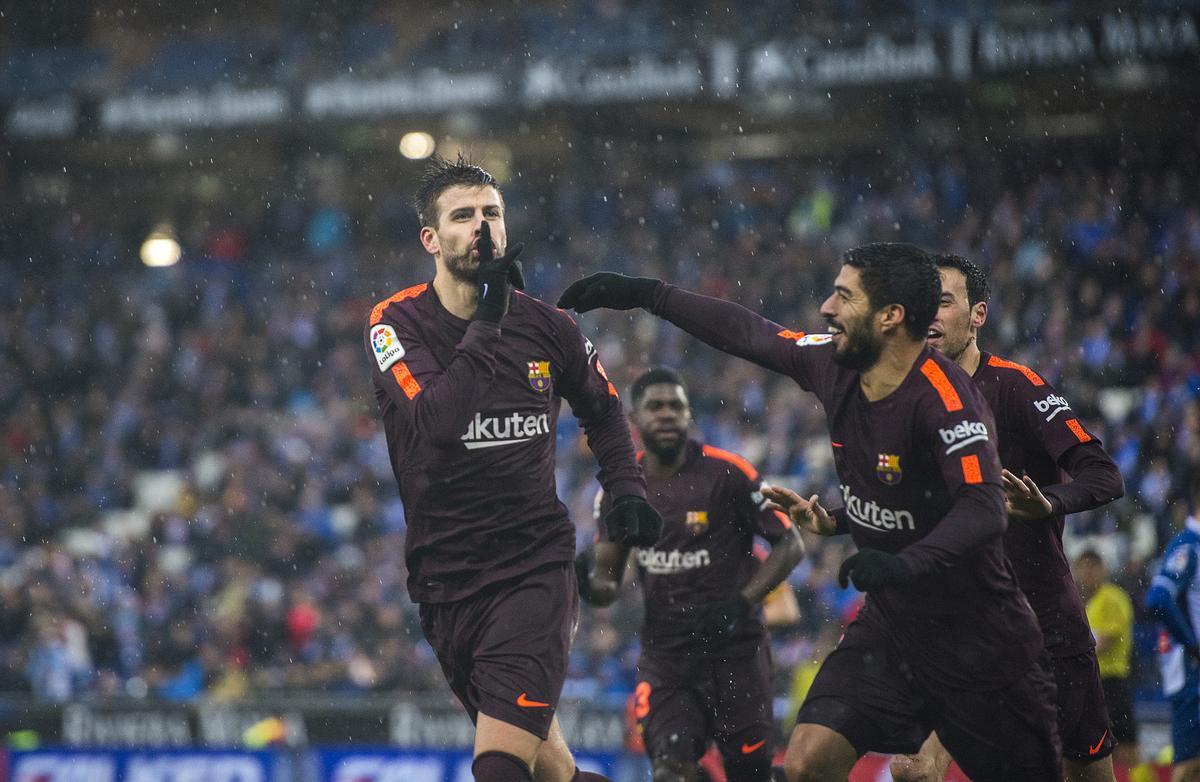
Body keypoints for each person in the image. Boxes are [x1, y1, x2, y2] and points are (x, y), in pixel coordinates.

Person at [558, 243, 1061, 781]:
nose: (826, 308)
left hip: (979, 636)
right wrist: (648, 294)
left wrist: (906, 563)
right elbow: (751, 334)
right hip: (889, 628)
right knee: (804, 765)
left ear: (890, 317)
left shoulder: (947, 400)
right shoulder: (834, 364)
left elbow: (985, 509)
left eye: (844, 296)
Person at [365, 154, 662, 782]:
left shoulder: (548, 327)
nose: (482, 227)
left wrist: (627, 490)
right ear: (430, 239)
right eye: (464, 215)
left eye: (492, 213)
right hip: (445, 580)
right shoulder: (394, 324)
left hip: (532, 570)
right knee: (553, 772)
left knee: (498, 767)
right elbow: (440, 427)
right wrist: (491, 317)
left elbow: (606, 413)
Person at [890, 254, 1125, 782]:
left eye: (944, 301)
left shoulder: (1017, 386)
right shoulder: (911, 402)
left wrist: (1048, 502)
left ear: (978, 315)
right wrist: (832, 518)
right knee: (911, 768)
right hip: (964, 630)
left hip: (1046, 625)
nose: (930, 314)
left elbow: (1104, 475)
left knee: (1085, 774)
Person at [576, 366, 805, 782]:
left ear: (689, 416)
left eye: (676, 406)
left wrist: (740, 605)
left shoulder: (729, 473)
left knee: (749, 773)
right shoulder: (620, 489)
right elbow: (608, 581)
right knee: (669, 770)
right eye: (655, 407)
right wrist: (588, 587)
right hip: (668, 658)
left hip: (738, 652)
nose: (667, 415)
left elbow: (791, 545)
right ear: (634, 419)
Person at [1076, 550, 1153, 782]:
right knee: (1099, 750)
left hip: (1112, 682)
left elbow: (1107, 640)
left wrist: (1073, 651)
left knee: (1126, 748)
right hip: (1094, 683)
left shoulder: (1112, 597)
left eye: (1092, 567)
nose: (1087, 573)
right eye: (1083, 568)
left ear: (1103, 568)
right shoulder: (1087, 601)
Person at [1146, 478, 1200, 782]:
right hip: (1191, 674)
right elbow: (1157, 598)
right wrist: (1193, 646)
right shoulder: (1188, 546)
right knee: (1190, 765)